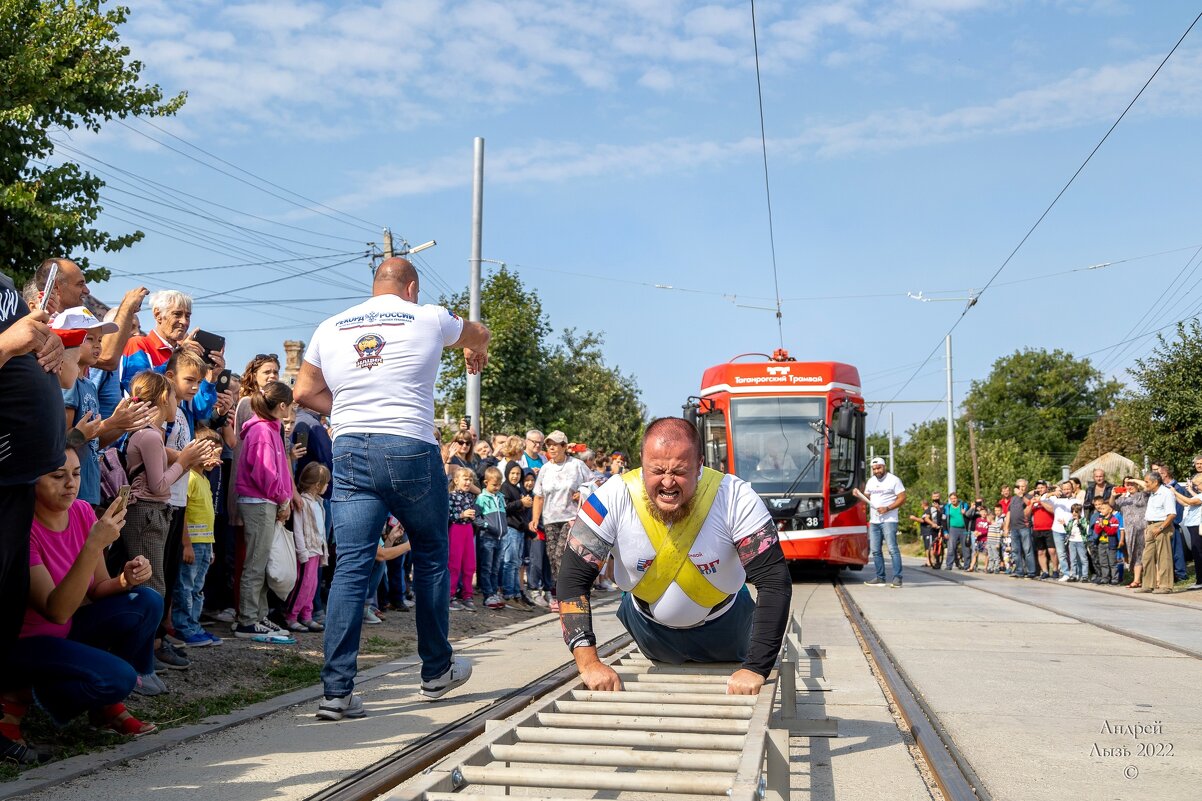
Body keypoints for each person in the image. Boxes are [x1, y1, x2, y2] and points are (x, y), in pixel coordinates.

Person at [294, 257, 490, 718]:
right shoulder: (428, 315)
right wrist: (471, 349)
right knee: (431, 556)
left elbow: (302, 392)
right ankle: (436, 670)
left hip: (350, 450)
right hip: (409, 445)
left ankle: (337, 692)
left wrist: (343, 409)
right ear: (411, 288)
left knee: (351, 567)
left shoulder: (331, 325)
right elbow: (478, 333)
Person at [556, 418, 791, 694]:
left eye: (679, 471)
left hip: (728, 631)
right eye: (656, 471)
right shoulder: (610, 497)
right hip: (650, 634)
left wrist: (755, 668)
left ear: (700, 465)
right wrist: (589, 664)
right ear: (641, 463)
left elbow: (774, 582)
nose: (667, 483)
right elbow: (572, 580)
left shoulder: (736, 497)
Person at [3, 448, 159, 764]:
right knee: (119, 677)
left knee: (147, 601)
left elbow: (99, 587)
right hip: (27, 645)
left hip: (69, 630)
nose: (70, 484)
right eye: (58, 476)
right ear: (32, 480)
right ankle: (19, 699)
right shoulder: (21, 529)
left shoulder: (83, 512)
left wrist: (126, 580)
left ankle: (104, 705)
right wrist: (93, 544)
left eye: (75, 474)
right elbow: (55, 610)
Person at [0, 270, 66, 708]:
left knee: (6, 605)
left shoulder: (4, 284)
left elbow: (28, 342)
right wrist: (8, 345)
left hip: (16, 478)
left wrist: (49, 343)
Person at [233, 380, 295, 640]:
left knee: (261, 561)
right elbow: (265, 473)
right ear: (282, 405)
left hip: (265, 501)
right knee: (256, 563)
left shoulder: (270, 428)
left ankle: (258, 615)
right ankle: (248, 619)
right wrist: (283, 498)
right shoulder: (261, 431)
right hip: (259, 501)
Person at [171, 426, 224, 648]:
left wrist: (210, 547)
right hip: (192, 544)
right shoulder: (190, 478)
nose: (216, 458)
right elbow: (183, 514)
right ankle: (184, 628)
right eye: (211, 452)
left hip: (204, 544)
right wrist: (186, 545)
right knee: (185, 586)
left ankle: (194, 624)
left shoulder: (204, 479)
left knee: (197, 587)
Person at [530, 430, 594, 610]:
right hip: (550, 519)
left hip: (571, 517)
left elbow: (594, 482)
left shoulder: (577, 465)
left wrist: (582, 492)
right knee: (552, 557)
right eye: (549, 445)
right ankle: (562, 594)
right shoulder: (545, 468)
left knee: (561, 555)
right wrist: (535, 518)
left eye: (555, 444)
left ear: (564, 447)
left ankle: (564, 595)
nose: (551, 448)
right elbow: (538, 495)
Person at [286, 463, 331, 633]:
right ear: (317, 485)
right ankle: (291, 616)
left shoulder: (318, 503)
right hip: (306, 551)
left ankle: (306, 615)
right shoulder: (303, 503)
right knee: (303, 584)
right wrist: (302, 551)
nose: (327, 486)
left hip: (316, 550)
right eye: (325, 483)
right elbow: (298, 529)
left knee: (312, 585)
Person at [858, 456, 906, 587]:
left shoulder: (894, 480)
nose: (876, 471)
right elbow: (867, 496)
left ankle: (898, 578)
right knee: (875, 550)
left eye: (878, 468)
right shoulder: (871, 481)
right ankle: (880, 577)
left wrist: (888, 508)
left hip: (889, 520)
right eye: (874, 469)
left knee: (892, 549)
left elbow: (902, 498)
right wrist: (859, 494)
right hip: (874, 521)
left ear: (884, 467)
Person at [500, 463, 535, 609]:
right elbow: (505, 507)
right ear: (507, 473)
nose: (515, 476)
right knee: (510, 562)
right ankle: (508, 594)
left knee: (516, 563)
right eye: (512, 473)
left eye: (518, 474)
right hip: (510, 529)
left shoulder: (518, 489)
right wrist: (521, 502)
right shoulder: (505, 487)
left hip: (519, 530)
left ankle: (515, 594)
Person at [475, 466, 508, 609]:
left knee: (496, 568)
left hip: (500, 538)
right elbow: (476, 517)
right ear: (486, 482)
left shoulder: (501, 497)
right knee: (486, 567)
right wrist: (487, 525)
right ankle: (487, 594)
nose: (497, 487)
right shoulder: (481, 498)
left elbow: (503, 515)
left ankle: (494, 592)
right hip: (487, 537)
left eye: (499, 484)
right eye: (494, 484)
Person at [1138, 472, 1176, 594]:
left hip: (1162, 526)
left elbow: (1172, 514)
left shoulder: (1166, 493)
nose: (1145, 484)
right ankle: (1148, 584)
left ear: (1155, 482)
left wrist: (1160, 528)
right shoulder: (1153, 494)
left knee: (1164, 556)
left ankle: (1166, 586)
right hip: (1150, 526)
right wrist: (1148, 527)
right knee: (1147, 556)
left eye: (1147, 482)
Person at [447, 468, 479, 612]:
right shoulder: (451, 496)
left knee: (469, 564)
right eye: (465, 479)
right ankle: (450, 596)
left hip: (468, 529)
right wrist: (462, 514)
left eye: (470, 480)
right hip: (456, 529)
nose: (468, 482)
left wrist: (473, 517)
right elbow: (448, 516)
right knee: (454, 564)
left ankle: (467, 596)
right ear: (456, 480)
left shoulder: (470, 497)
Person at [1114, 477, 1148, 589]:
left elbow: (1147, 486)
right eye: (1127, 484)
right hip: (1130, 531)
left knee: (1147, 554)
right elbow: (1112, 505)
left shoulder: (1143, 495)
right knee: (1134, 554)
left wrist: (1135, 480)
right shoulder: (1123, 499)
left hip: (1144, 529)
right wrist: (1113, 495)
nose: (1129, 486)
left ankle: (1152, 579)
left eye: (1132, 484)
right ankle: (1136, 580)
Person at [1169, 474, 1202, 590]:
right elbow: (1186, 503)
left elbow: (1191, 501)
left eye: (1197, 485)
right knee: (1196, 553)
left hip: (1197, 526)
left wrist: (1176, 492)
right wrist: (1175, 494)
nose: (1196, 487)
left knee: (1198, 553)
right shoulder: (1198, 495)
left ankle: (1200, 580)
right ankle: (1199, 579)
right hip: (1192, 526)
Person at [1040, 482, 1076, 583]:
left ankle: (1075, 572)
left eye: (1068, 489)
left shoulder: (1076, 500)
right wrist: (1052, 493)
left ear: (1072, 489)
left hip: (1071, 529)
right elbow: (1042, 498)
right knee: (1061, 553)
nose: (1066, 491)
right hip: (1057, 529)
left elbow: (1079, 514)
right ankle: (1065, 573)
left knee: (1073, 552)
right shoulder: (1056, 499)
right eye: (1064, 489)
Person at [1004, 479, 1035, 578]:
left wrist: (1022, 496)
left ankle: (1031, 572)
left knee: (1027, 550)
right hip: (1014, 528)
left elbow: (1030, 504)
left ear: (1026, 487)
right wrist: (1006, 527)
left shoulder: (1028, 497)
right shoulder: (1013, 499)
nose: (1021, 488)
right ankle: (1019, 571)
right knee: (1015, 551)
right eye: (1019, 486)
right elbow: (1009, 512)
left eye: (1023, 486)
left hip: (1024, 527)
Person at [1089, 498, 1120, 585]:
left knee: (1112, 562)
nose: (1101, 510)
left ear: (1110, 510)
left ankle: (1114, 578)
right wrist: (1100, 525)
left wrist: (1104, 526)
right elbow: (1096, 530)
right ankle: (1105, 578)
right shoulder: (1099, 519)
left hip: (1111, 544)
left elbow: (1112, 531)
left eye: (1103, 509)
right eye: (1101, 509)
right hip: (1101, 544)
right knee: (1103, 562)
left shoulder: (1114, 520)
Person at [1029, 480, 1056, 579]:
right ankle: (1045, 571)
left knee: (1052, 551)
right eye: (1038, 488)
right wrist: (1032, 503)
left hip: (1049, 528)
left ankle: (1055, 570)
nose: (1040, 489)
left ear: (1046, 488)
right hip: (1037, 529)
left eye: (1042, 487)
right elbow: (1026, 514)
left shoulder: (1051, 498)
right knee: (1040, 552)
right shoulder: (1034, 499)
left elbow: (1053, 510)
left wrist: (1041, 501)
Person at [910, 491, 944, 569]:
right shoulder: (930, 508)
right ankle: (933, 561)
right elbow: (926, 518)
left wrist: (939, 509)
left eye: (937, 497)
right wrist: (932, 524)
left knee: (941, 545)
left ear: (939, 497)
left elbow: (946, 515)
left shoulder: (943, 505)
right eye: (934, 497)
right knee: (932, 546)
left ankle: (937, 561)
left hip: (942, 527)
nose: (936, 498)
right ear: (932, 498)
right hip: (933, 529)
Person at [943, 491, 969, 571]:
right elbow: (944, 520)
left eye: (955, 498)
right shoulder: (948, 507)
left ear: (957, 498)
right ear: (950, 500)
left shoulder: (963, 505)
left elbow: (968, 508)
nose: (953, 500)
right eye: (951, 499)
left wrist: (965, 511)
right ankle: (949, 565)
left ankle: (967, 566)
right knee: (951, 547)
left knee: (966, 547)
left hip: (964, 529)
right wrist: (945, 532)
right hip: (953, 529)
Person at [986, 504, 1005, 573]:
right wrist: (987, 543)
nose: (997, 512)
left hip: (996, 541)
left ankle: (997, 567)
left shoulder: (999, 522)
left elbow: (998, 534)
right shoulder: (990, 525)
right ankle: (990, 567)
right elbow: (988, 535)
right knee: (990, 556)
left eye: (998, 510)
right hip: (990, 542)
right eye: (995, 510)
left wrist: (997, 543)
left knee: (997, 555)